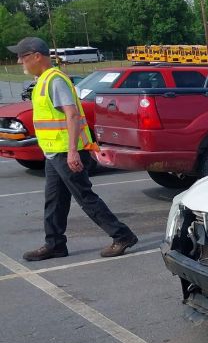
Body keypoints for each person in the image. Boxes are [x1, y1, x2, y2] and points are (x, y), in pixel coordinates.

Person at [9, 37, 138, 261]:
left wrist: (71, 152)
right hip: (53, 153)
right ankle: (55, 244)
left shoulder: (55, 80)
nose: (20, 61)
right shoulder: (43, 80)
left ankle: (122, 235)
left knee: (85, 197)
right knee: (54, 200)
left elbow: (73, 115)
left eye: (22, 57)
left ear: (36, 56)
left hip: (66, 152)